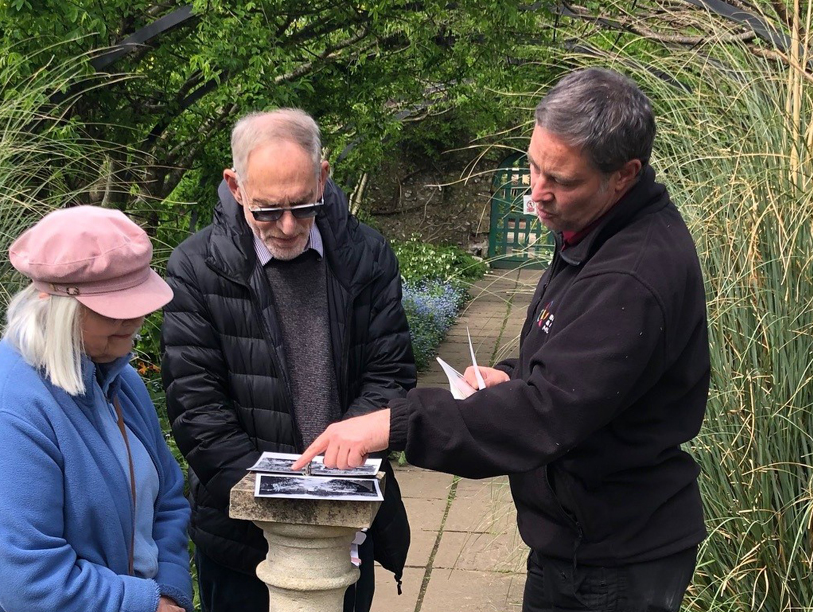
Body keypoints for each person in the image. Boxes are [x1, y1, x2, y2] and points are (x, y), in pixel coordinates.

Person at [296, 68, 710, 612]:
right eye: (534, 166)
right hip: (579, 541)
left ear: (624, 175)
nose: (538, 193)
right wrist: (513, 375)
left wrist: (395, 422)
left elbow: (543, 416)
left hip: (614, 562)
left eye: (561, 181)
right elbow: (575, 363)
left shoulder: (631, 275)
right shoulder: (592, 233)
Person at [161, 108, 416, 612]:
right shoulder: (195, 268)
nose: (287, 225)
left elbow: (389, 374)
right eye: (267, 210)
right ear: (235, 187)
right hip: (242, 538)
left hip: (345, 526)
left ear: (323, 176)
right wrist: (285, 506)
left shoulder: (366, 253)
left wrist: (336, 483)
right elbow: (197, 411)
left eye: (304, 205)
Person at [0, 205, 194, 612]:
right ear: (58, 306)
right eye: (115, 308)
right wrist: (146, 605)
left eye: (138, 299)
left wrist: (171, 590)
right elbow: (30, 579)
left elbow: (169, 501)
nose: (137, 318)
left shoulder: (122, 381)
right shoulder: (7, 414)